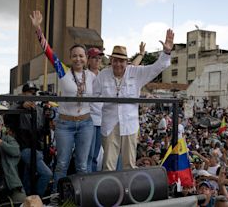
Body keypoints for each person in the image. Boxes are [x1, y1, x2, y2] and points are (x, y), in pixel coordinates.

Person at [93, 29, 174, 171]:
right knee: (108, 165)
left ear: (127, 62)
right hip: (109, 124)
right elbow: (94, 97)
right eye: (115, 60)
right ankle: (109, 192)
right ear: (111, 60)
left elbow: (156, 68)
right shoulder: (103, 75)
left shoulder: (136, 72)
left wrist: (166, 53)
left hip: (129, 124)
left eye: (121, 61)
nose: (118, 64)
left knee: (129, 165)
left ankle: (126, 192)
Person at [31, 10, 95, 189]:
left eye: (81, 55)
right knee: (62, 165)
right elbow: (48, 52)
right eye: (74, 55)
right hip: (65, 125)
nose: (78, 58)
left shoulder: (92, 76)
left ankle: (83, 199)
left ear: (86, 58)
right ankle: (56, 199)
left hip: (86, 124)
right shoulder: (63, 72)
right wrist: (38, 29)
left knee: (82, 166)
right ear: (70, 58)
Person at [0, 114, 26, 206]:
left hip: (10, 181)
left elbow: (16, 151)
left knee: (22, 201)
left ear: (2, 126)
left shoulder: (8, 139)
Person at [87, 47, 104, 173]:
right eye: (94, 58)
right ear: (88, 60)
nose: (97, 60)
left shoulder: (104, 75)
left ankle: (92, 179)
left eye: (99, 58)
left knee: (95, 155)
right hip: (90, 119)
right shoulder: (85, 75)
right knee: (88, 154)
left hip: (102, 120)